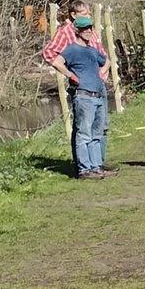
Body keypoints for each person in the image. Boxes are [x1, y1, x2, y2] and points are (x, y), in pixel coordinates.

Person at [45, 14, 113, 179]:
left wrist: (104, 70)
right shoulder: (71, 49)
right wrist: (70, 75)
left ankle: (96, 166)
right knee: (84, 134)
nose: (89, 31)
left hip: (97, 96)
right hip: (84, 96)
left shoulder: (92, 49)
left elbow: (106, 60)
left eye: (90, 28)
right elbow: (56, 62)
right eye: (85, 29)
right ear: (77, 31)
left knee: (96, 134)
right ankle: (84, 169)